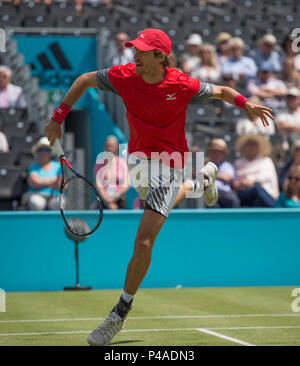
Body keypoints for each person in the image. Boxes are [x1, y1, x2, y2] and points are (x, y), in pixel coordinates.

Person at [44, 28, 274, 346]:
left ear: (160, 56)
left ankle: (119, 313)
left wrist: (246, 104)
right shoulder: (123, 75)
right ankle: (202, 180)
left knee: (143, 241)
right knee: (154, 201)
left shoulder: (182, 83)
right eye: (134, 49)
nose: (135, 55)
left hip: (170, 164)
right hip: (138, 160)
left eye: (142, 51)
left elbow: (221, 90)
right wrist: (58, 117)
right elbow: (83, 80)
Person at [233, 134, 279, 207]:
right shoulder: (238, 162)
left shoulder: (266, 161)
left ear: (258, 147)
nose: (251, 147)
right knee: (256, 189)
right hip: (244, 194)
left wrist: (252, 182)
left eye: (254, 144)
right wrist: (241, 183)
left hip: (265, 195)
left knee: (258, 193)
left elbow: (267, 177)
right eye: (249, 144)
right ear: (245, 147)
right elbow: (235, 182)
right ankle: (275, 210)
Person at [21, 137, 61, 211]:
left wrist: (42, 182)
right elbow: (35, 183)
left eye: (47, 150)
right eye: (41, 150)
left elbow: (63, 185)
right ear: (37, 152)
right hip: (36, 195)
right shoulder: (32, 167)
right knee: (36, 203)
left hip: (55, 196)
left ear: (50, 152)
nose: (44, 152)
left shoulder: (58, 166)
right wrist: (54, 181)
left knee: (59, 203)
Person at [94, 135, 130, 209]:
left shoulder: (122, 163)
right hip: (103, 201)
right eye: (107, 146)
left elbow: (126, 184)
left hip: (119, 201)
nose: (109, 149)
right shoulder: (98, 164)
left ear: (116, 148)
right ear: (104, 147)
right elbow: (98, 184)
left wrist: (115, 197)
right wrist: (107, 200)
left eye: (112, 146)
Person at [206, 138, 240, 208]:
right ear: (209, 152)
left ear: (223, 154)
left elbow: (227, 178)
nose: (216, 154)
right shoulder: (204, 164)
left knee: (233, 201)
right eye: (213, 151)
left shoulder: (228, 165)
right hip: (208, 192)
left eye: (218, 151)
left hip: (225, 192)